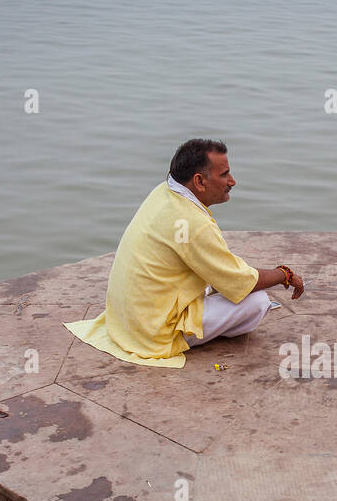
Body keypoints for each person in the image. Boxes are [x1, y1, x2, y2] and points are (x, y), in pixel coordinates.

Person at [64, 139, 304, 368]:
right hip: (154, 331)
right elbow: (241, 282)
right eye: (224, 175)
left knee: (221, 282)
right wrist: (284, 274)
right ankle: (189, 333)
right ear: (199, 181)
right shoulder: (193, 223)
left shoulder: (162, 193)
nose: (232, 181)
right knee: (258, 302)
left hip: (127, 320)